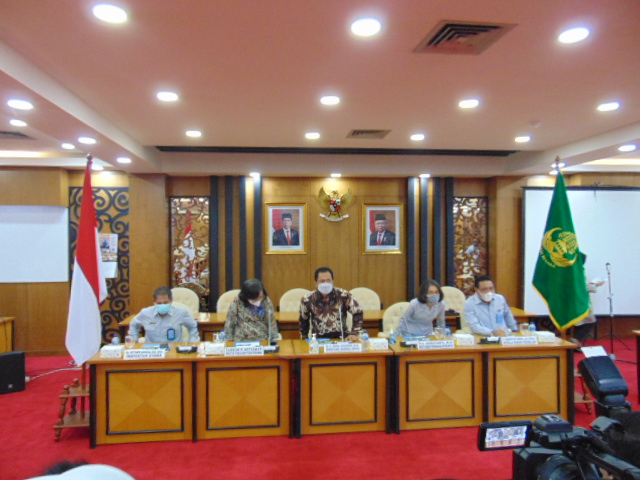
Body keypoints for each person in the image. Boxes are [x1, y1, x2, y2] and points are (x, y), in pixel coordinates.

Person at [299, 267, 363, 341]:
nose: (325, 283)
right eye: (322, 281)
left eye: (328, 280)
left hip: (342, 338)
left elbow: (358, 312)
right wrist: (304, 339)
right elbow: (303, 321)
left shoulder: (343, 295)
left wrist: (354, 333)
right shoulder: (307, 299)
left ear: (332, 282)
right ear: (316, 283)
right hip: (319, 339)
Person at [128, 286, 199, 343]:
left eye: (165, 303)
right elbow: (133, 325)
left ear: (171, 300)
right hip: (152, 351)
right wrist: (134, 341)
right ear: (154, 302)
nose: (162, 305)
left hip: (173, 350)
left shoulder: (181, 312)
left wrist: (192, 342)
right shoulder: (146, 313)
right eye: (159, 303)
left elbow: (193, 326)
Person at [224, 278, 278, 343]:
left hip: (262, 338)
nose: (259, 299)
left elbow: (271, 322)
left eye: (261, 296)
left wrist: (274, 339)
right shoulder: (237, 302)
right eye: (256, 298)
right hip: (241, 340)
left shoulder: (266, 301)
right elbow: (230, 323)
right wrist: (229, 341)